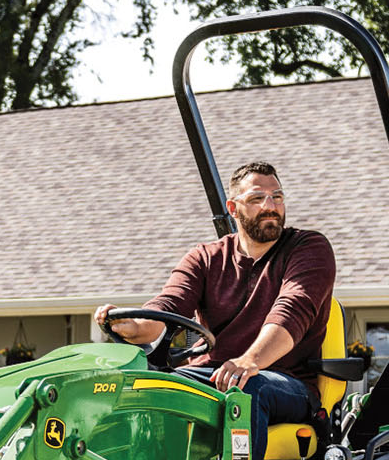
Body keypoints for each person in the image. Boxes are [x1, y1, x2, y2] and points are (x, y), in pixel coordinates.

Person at [93, 161, 336, 441]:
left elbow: (292, 312)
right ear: (232, 209)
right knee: (142, 386)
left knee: (243, 390)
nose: (271, 206)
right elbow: (168, 306)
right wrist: (132, 326)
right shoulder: (206, 257)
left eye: (277, 197)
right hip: (210, 374)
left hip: (283, 382)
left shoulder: (308, 248)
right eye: (257, 198)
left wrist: (250, 361)